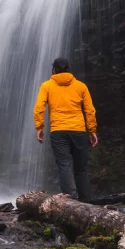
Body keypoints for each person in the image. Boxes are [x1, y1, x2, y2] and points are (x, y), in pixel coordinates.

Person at [32, 57, 98, 200]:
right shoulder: (81, 86)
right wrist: (92, 131)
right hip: (79, 131)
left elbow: (38, 108)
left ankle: (71, 201)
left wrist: (40, 127)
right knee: (81, 168)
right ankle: (86, 200)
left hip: (58, 131)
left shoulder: (47, 86)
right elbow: (90, 111)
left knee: (64, 165)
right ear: (69, 69)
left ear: (54, 70)